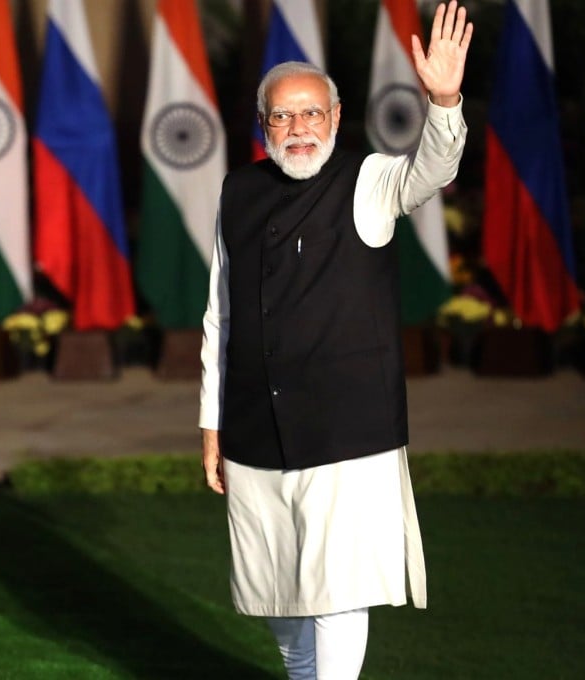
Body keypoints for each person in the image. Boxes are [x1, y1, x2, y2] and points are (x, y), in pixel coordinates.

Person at [199, 3, 472, 678]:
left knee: (340, 592)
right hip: (256, 432)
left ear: (336, 119)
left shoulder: (371, 180)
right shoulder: (238, 191)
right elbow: (220, 317)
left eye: (312, 113)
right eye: (284, 116)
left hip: (349, 432)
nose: (299, 128)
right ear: (264, 127)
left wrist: (443, 100)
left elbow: (431, 169)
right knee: (279, 597)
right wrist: (212, 426)